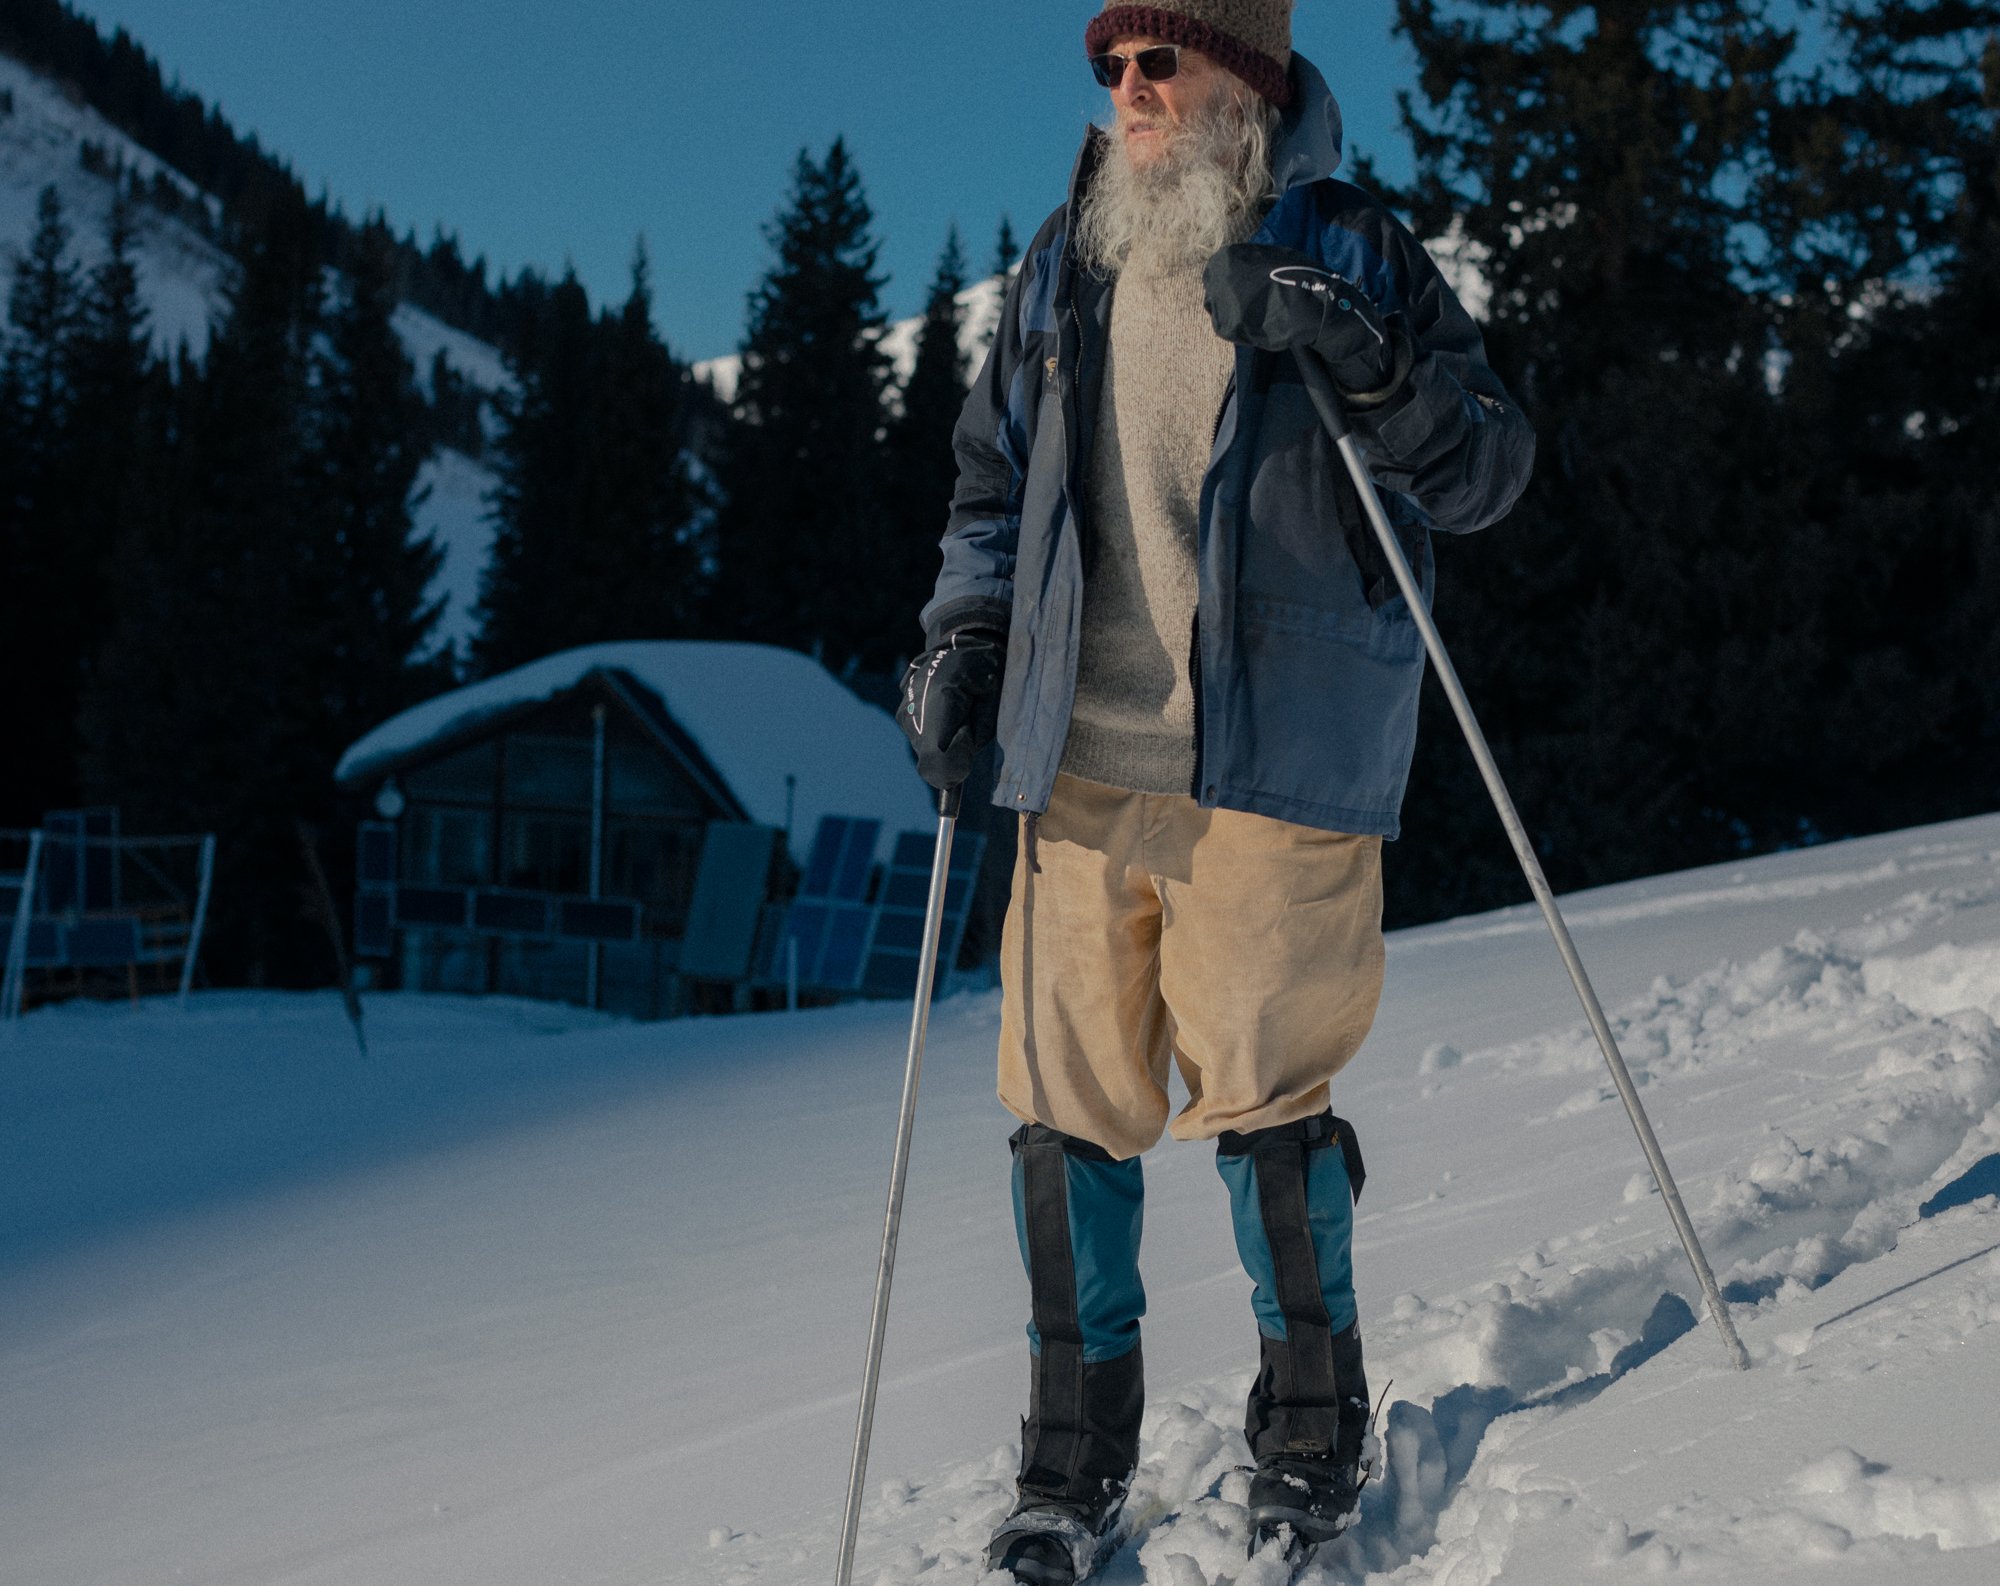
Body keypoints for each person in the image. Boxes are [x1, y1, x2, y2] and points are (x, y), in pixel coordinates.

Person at [898, 3, 1533, 1579]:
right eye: (1112, 68)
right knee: (1062, 1104)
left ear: (1242, 76)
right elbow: (992, 484)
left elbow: (1488, 468)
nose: (1130, 94)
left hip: (1275, 751)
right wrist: (968, 635)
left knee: (1265, 1093)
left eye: (1159, 62)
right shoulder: (1065, 262)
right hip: (1074, 756)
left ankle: (1310, 1429)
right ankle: (1068, 1456)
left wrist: (1365, 350)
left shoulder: (1351, 245)